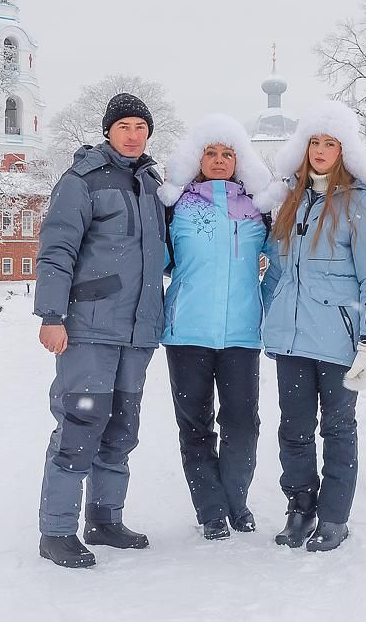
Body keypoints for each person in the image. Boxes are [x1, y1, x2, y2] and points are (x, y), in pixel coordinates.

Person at [33, 93, 167, 569]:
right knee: (80, 424)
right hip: (88, 327)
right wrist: (51, 315)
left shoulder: (151, 184)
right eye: (124, 126)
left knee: (122, 428)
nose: (133, 135)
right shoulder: (81, 181)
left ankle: (105, 519)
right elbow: (57, 248)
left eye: (141, 127)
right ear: (108, 131)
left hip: (138, 331)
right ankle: (56, 530)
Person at [259, 100, 366, 552]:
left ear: (344, 150)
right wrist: (267, 315)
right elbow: (276, 273)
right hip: (292, 340)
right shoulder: (291, 202)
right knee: (293, 430)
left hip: (339, 340)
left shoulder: (358, 203)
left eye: (329, 143)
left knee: (337, 430)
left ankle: (334, 517)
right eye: (313, 142)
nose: (320, 151)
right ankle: (300, 508)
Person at [157, 114, 279, 541]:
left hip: (242, 333)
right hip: (187, 331)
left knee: (243, 423)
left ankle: (236, 502)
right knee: (195, 425)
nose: (220, 160)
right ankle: (210, 510)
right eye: (211, 153)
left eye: (228, 154)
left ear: (240, 160)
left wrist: (264, 302)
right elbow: (159, 258)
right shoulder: (174, 205)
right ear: (197, 157)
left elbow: (279, 262)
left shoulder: (258, 210)